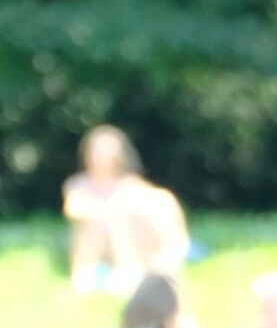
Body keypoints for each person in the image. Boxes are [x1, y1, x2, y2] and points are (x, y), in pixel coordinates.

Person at [62, 125, 190, 295]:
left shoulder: (129, 184)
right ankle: (85, 276)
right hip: (95, 244)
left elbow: (147, 203)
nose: (100, 158)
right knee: (95, 225)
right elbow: (73, 208)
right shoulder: (78, 184)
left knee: (149, 209)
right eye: (97, 152)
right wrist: (105, 212)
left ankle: (129, 270)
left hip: (128, 242)